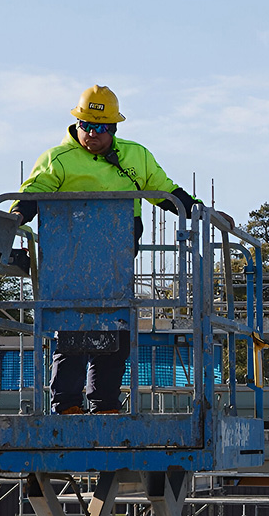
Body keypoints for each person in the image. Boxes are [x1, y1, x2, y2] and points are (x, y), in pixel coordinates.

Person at [14, 84, 200, 414]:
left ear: (113, 128)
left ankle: (104, 404)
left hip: (116, 258)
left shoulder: (136, 156)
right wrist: (17, 215)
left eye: (100, 128)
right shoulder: (58, 159)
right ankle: (67, 404)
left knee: (116, 329)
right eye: (86, 126)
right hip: (68, 259)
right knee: (72, 328)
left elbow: (164, 190)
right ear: (77, 125)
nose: (92, 134)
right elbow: (33, 194)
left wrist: (197, 208)